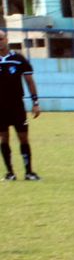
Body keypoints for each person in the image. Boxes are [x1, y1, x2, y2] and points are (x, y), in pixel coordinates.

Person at [0, 29, 41, 181]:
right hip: (0, 107)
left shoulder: (19, 59)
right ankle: (10, 173)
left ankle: (29, 172)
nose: (0, 42)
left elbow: (29, 81)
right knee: (4, 138)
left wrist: (35, 102)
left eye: (1, 38)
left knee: (23, 138)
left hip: (17, 106)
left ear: (6, 39)